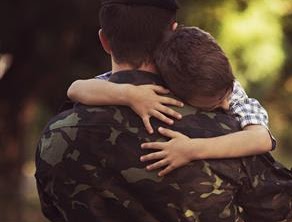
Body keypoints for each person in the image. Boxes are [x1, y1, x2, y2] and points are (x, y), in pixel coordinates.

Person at [35, 1, 292, 222]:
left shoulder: (58, 135)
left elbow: (58, 215)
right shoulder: (226, 134)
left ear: (104, 40)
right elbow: (281, 218)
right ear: (171, 34)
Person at [66, 32, 275, 177]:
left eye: (226, 95)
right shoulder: (168, 84)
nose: (226, 105)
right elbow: (76, 89)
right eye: (215, 104)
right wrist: (129, 94)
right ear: (179, 94)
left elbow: (261, 138)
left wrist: (192, 149)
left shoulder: (231, 91)